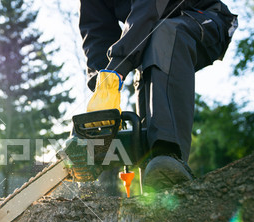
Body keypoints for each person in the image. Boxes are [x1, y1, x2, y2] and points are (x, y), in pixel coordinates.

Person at [79, 0, 237, 190]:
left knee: (165, 33)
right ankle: (153, 177)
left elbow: (148, 8)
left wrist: (117, 69)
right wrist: (101, 85)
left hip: (206, 16)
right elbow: (97, 34)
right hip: (151, 36)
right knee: (146, 68)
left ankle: (169, 156)